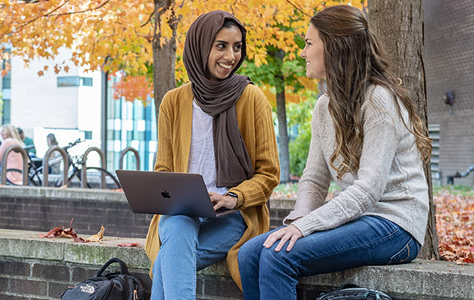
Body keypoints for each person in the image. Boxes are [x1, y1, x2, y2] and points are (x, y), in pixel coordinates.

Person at [237, 5, 432, 299]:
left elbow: (368, 190)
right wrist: (297, 223)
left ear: (335, 47)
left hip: (396, 226)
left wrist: (306, 228)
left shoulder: (379, 101)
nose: (302, 52)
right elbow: (315, 180)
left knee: (278, 256)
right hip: (361, 220)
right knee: (251, 253)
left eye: (309, 43)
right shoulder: (323, 108)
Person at [145, 11, 280, 300]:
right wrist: (180, 194)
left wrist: (232, 197)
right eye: (221, 45)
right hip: (182, 214)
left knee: (168, 260)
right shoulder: (173, 102)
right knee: (178, 229)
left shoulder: (252, 99)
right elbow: (164, 170)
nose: (230, 56)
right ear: (200, 46)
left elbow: (269, 173)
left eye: (237, 46)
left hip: (234, 217)